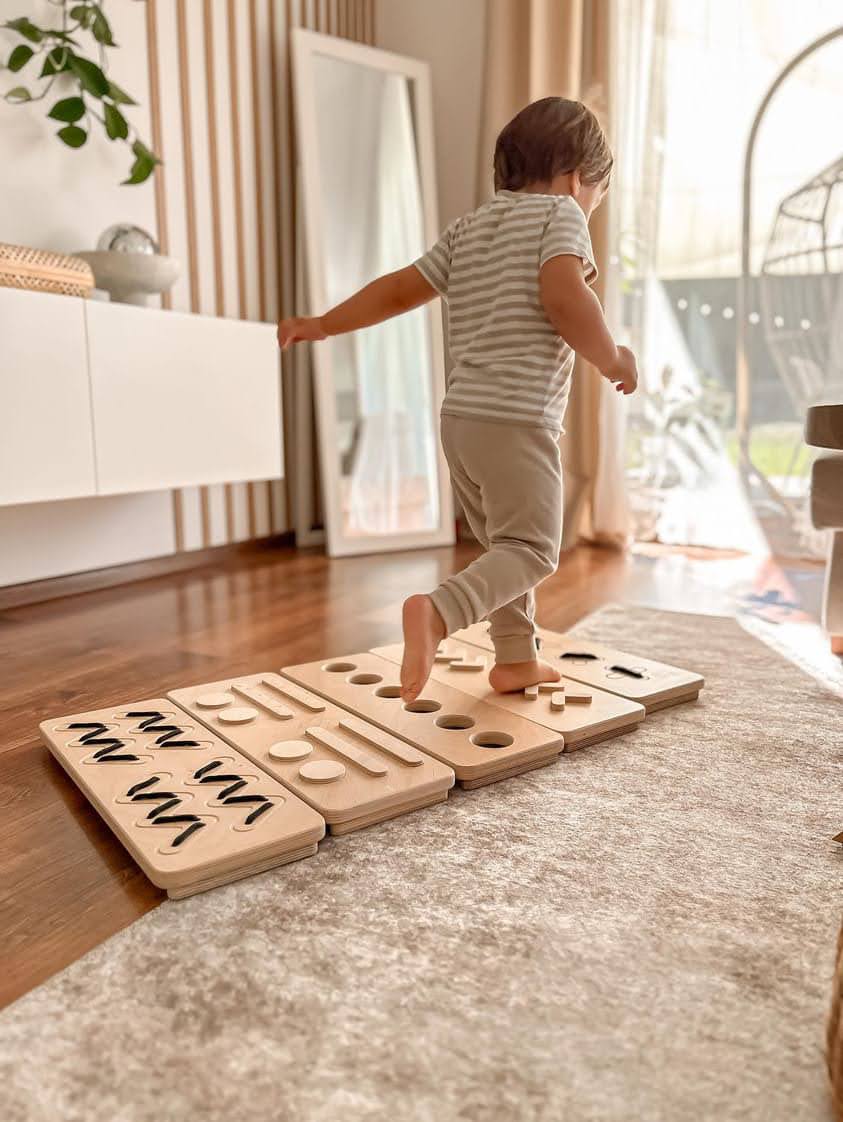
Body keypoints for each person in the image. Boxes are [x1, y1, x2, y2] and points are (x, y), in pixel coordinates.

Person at [278, 96, 638, 703]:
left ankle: (516, 660)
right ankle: (439, 612)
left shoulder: (470, 228)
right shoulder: (561, 215)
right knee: (532, 549)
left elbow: (397, 291)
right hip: (517, 417)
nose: (589, 208)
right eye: (595, 198)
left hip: (461, 421)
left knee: (505, 545)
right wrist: (612, 357)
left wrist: (322, 324)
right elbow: (564, 296)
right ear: (578, 179)